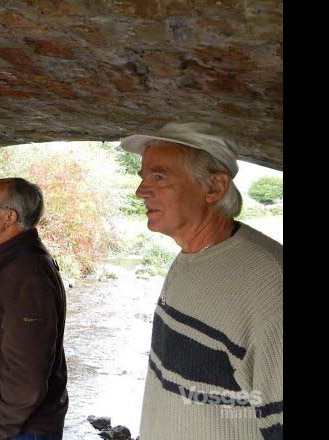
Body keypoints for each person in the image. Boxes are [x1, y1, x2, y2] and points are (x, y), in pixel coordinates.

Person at [119, 122, 282, 440]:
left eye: (159, 177)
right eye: (143, 177)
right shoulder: (189, 256)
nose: (141, 191)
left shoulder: (269, 283)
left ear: (214, 188)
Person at [0, 178, 68, 440]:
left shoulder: (27, 274)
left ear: (9, 217)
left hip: (24, 429)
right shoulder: (17, 262)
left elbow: (28, 375)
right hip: (20, 424)